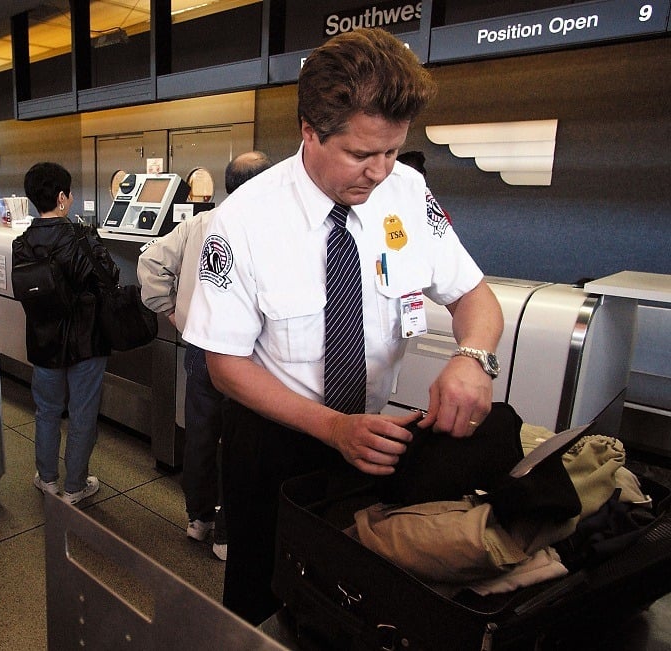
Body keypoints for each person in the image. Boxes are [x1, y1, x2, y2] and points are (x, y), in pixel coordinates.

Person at [182, 27, 504, 625]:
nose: (380, 171)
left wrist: (473, 359)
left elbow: (475, 297)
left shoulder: (407, 192)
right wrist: (332, 428)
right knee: (263, 598)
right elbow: (223, 365)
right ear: (309, 131)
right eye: (361, 154)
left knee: (349, 599)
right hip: (275, 440)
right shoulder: (243, 221)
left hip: (371, 438)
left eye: (392, 150)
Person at [137, 151, 273, 562]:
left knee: (200, 434)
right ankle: (228, 536)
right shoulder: (270, 230)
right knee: (241, 442)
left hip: (200, 347)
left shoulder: (199, 223)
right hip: (252, 356)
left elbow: (150, 262)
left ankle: (199, 520)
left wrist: (177, 316)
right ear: (266, 184)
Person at [12, 162, 119, 505]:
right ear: (61, 197)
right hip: (85, 341)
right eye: (69, 193)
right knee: (82, 412)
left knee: (46, 411)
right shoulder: (81, 238)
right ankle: (74, 487)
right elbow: (110, 276)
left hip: (44, 341)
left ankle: (47, 479)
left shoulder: (21, 243)